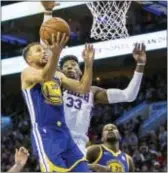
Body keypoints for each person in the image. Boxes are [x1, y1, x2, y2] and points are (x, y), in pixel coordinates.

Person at [41, 1, 147, 155]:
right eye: (66, 66)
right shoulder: (58, 83)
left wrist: (140, 65)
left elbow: (128, 95)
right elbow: (46, 50)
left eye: (73, 65)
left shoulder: (92, 91)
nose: (70, 67)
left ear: (80, 70)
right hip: (56, 137)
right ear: (61, 72)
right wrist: (48, 12)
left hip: (79, 144)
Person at [21, 30, 95, 172]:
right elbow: (44, 77)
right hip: (46, 132)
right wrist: (55, 53)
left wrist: (88, 65)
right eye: (38, 51)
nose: (43, 52)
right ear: (29, 59)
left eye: (44, 50)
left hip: (65, 133)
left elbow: (83, 88)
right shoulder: (27, 72)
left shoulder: (58, 75)